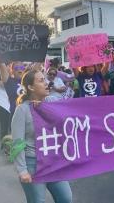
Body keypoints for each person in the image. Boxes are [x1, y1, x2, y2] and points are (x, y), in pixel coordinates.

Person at [11, 69, 72, 203]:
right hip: (33, 164)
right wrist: (22, 170)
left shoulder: (52, 102)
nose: (46, 83)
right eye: (41, 80)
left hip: (53, 161)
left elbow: (74, 112)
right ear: (31, 87)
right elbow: (17, 142)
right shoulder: (22, 110)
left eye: (45, 79)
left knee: (66, 198)